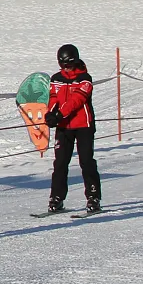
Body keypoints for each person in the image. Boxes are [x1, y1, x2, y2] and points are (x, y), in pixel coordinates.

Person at [46, 43, 101, 214]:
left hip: (83, 125)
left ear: (75, 61)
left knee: (86, 161)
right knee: (60, 163)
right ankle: (57, 198)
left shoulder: (85, 78)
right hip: (63, 127)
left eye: (69, 65)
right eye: (63, 65)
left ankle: (93, 197)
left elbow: (78, 100)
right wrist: (50, 113)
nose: (67, 69)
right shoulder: (56, 78)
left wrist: (60, 113)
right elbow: (54, 97)